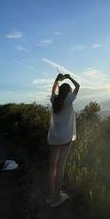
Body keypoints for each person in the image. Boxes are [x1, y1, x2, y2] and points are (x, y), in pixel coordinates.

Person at [46, 73, 80, 208]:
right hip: (65, 137)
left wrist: (57, 79)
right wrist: (69, 77)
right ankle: (57, 197)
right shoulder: (69, 99)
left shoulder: (54, 99)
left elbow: (53, 89)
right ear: (69, 92)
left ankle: (51, 194)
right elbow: (78, 86)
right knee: (61, 166)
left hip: (54, 136)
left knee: (52, 166)